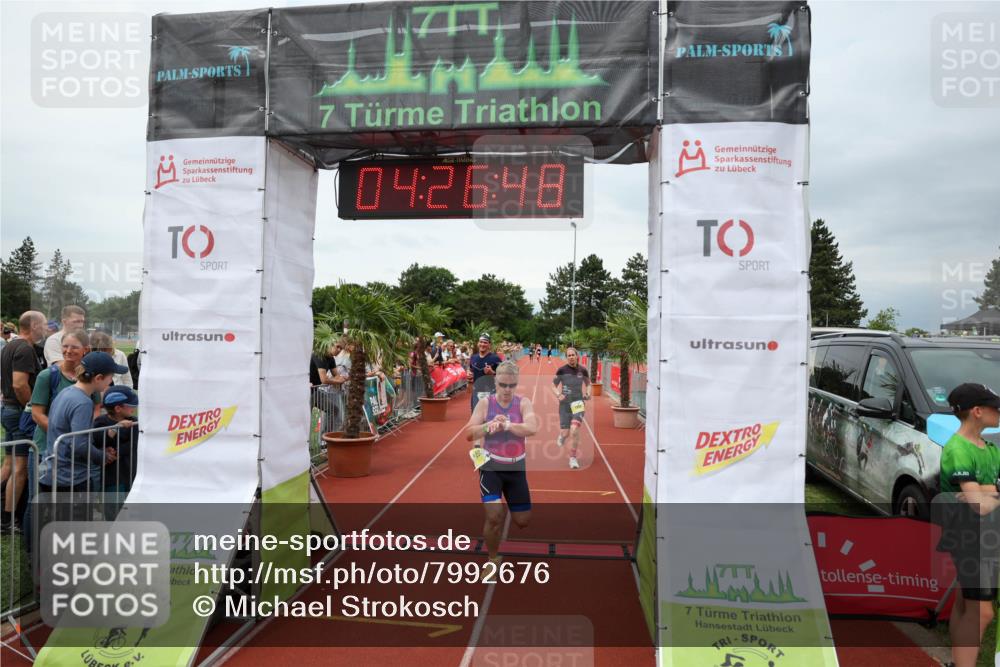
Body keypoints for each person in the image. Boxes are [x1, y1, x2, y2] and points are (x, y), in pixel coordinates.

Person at [936, 383, 1000, 667]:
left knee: (966, 600)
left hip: (984, 534)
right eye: (994, 407)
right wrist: (988, 493)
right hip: (968, 535)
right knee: (982, 612)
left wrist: (986, 492)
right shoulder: (958, 449)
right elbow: (979, 505)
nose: (999, 412)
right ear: (977, 412)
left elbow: (984, 496)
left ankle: (957, 662)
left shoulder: (990, 448)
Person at [463, 360, 539, 565]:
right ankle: (493, 558)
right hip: (491, 467)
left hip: (516, 468)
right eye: (503, 385)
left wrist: (507, 425)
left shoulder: (523, 403)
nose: (507, 390)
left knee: (523, 521)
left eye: (511, 385)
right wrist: (488, 426)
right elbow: (469, 433)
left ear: (517, 384)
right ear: (495, 382)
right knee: (495, 517)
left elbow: (532, 428)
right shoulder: (485, 403)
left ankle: (508, 510)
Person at [39, 351, 126, 499]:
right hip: (70, 478)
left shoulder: (66, 392)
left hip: (52, 471)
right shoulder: (83, 402)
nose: (111, 382)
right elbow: (80, 445)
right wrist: (102, 456)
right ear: (98, 378)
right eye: (111, 377)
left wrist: (97, 449)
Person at [0, 311, 47, 533]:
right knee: (20, 468)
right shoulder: (25, 348)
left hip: (9, 409)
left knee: (8, 464)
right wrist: (31, 408)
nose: (46, 328)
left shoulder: (11, 344)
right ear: (35, 325)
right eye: (44, 324)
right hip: (18, 411)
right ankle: (8, 520)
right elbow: (20, 384)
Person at [93, 386, 139, 496]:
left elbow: (134, 443)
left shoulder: (133, 421)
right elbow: (98, 440)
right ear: (118, 408)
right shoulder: (101, 422)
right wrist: (115, 428)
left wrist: (116, 453)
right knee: (114, 508)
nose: (134, 409)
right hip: (111, 476)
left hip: (130, 472)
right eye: (131, 406)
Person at [552, 347, 591, 470]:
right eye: (568, 355)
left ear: (577, 356)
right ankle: (562, 436)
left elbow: (588, 384)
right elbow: (553, 385)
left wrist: (588, 393)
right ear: (566, 357)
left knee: (574, 429)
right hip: (564, 405)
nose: (571, 357)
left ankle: (573, 458)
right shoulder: (562, 370)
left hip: (578, 403)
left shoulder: (583, 370)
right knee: (566, 432)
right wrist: (558, 394)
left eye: (572, 355)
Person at [467, 333, 503, 412]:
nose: (482, 344)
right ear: (478, 343)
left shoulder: (495, 358)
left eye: (485, 342)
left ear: (489, 345)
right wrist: (469, 375)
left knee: (489, 418)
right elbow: (471, 371)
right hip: (476, 392)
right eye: (481, 342)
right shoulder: (473, 358)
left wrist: (492, 373)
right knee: (476, 417)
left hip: (490, 392)